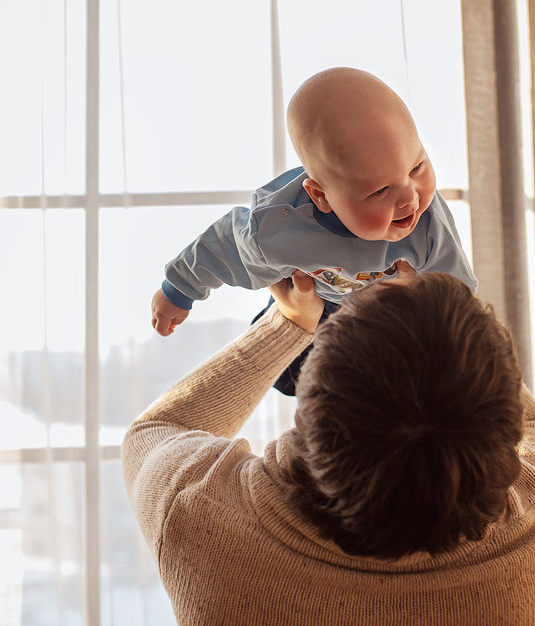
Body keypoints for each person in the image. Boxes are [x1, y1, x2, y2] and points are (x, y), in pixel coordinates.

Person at [123, 270, 535, 626]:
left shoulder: (197, 516)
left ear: (310, 397)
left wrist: (289, 324)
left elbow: (160, 428)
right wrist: (447, 329)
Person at [151, 67, 477, 393]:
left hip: (388, 308)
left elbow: (456, 292)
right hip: (322, 304)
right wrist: (179, 290)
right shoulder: (279, 228)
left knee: (421, 361)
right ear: (321, 197)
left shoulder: (428, 220)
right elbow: (221, 249)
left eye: (417, 167)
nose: (410, 197)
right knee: (289, 377)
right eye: (380, 191)